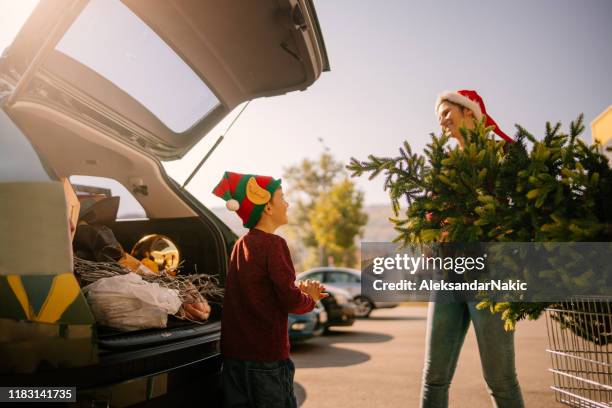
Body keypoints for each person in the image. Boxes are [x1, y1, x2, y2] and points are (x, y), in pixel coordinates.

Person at [420, 90, 524, 408]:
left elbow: (520, 209)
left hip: (489, 275)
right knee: (434, 377)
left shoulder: (503, 154)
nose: (443, 120)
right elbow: (433, 212)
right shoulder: (446, 163)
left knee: (500, 380)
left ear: (469, 112)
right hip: (448, 273)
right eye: (439, 116)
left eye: (447, 112)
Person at [213, 171, 328, 408]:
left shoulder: (240, 244)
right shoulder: (274, 244)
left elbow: (257, 291)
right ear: (266, 207)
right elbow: (289, 299)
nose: (287, 204)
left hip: (234, 358)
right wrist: (310, 298)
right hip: (266, 360)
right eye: (282, 197)